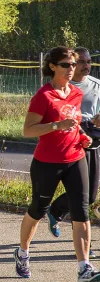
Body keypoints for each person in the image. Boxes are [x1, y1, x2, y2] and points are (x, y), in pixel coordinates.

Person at [14, 47, 100, 282]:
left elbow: (74, 122)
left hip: (75, 157)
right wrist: (55, 126)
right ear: (52, 66)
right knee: (38, 210)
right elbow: (28, 130)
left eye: (73, 64)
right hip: (47, 162)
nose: (71, 69)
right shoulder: (43, 96)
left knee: (81, 211)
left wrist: (82, 135)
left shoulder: (76, 93)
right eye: (66, 65)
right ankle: (22, 252)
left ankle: (84, 268)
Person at [49, 47, 100, 246]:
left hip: (93, 141)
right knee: (81, 196)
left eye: (89, 62)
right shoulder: (64, 86)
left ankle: (56, 210)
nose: (86, 66)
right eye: (81, 62)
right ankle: (84, 247)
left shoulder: (96, 85)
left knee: (90, 195)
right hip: (72, 142)